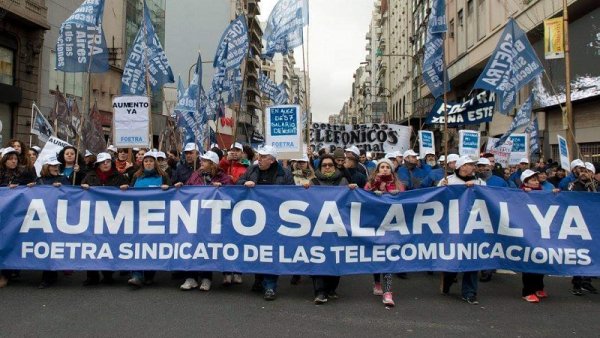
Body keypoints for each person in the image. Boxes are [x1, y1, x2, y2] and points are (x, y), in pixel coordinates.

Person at [237, 145, 294, 301]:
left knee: (271, 252)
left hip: (275, 217)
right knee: (257, 250)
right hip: (255, 219)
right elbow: (238, 183)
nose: (259, 159)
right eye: (259, 156)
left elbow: (292, 194)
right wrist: (244, 184)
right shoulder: (252, 170)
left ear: (272, 160)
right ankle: (258, 280)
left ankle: (270, 285)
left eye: (263, 157)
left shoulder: (285, 173)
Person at [177, 151, 233, 291]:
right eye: (201, 160)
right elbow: (188, 189)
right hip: (196, 216)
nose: (201, 163)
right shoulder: (195, 175)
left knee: (207, 247)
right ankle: (191, 277)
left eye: (205, 161)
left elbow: (232, 193)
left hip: (213, 218)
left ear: (212, 164)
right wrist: (180, 187)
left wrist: (222, 188)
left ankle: (206, 278)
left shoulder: (223, 177)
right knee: (192, 245)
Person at [438, 156, 486, 305]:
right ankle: (448, 279)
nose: (473, 167)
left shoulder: (480, 182)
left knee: (471, 258)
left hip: (473, 227)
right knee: (453, 256)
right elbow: (436, 200)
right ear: (461, 167)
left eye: (473, 165)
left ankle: (469, 293)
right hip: (452, 226)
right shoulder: (448, 181)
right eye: (470, 164)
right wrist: (442, 188)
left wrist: (477, 188)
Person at [80, 152, 129, 286]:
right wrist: (82, 188)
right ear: (98, 164)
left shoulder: (119, 177)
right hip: (92, 216)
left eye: (108, 161)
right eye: (103, 162)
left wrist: (126, 188)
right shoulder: (89, 176)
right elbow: (80, 193)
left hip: (112, 216)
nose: (106, 164)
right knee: (92, 246)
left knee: (109, 245)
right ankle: (92, 275)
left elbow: (128, 194)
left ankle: (108, 274)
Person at [308, 154, 352, 304]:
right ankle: (320, 291)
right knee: (318, 258)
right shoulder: (313, 182)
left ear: (335, 167)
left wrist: (352, 190)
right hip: (318, 227)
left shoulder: (343, 181)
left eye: (330, 165)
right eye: (324, 165)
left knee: (335, 257)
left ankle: (331, 288)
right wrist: (304, 191)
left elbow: (349, 203)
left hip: (337, 227)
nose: (327, 167)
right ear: (319, 168)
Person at [364, 158, 405, 307]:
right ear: (377, 169)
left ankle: (388, 292)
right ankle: (377, 283)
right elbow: (362, 199)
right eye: (382, 166)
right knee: (377, 255)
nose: (385, 169)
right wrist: (373, 194)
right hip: (375, 226)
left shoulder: (399, 185)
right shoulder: (370, 183)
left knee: (388, 258)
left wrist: (397, 195)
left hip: (391, 227)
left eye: (388, 167)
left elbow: (406, 202)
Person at [127, 152, 171, 288]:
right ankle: (137, 274)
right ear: (142, 163)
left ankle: (150, 274)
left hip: (156, 216)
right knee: (137, 244)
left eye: (151, 161)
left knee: (152, 245)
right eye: (146, 161)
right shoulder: (136, 176)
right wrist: (125, 189)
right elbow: (130, 194)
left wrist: (167, 189)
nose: (148, 163)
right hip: (138, 216)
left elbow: (173, 195)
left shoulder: (163, 176)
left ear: (155, 163)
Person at [0, 147, 36, 288]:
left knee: (10, 241)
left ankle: (6, 274)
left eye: (15, 159)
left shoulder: (23, 172)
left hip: (14, 213)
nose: (14, 161)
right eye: (11, 159)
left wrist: (32, 186)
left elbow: (32, 184)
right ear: (4, 160)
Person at [36, 155, 72, 289]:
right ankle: (48, 275)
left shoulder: (64, 179)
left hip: (59, 217)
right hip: (44, 217)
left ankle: (50, 275)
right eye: (53, 165)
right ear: (46, 167)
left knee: (54, 245)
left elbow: (71, 194)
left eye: (57, 165)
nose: (56, 167)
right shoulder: (39, 180)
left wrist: (62, 187)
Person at [519, 169, 554, 303]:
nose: (535, 182)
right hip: (527, 233)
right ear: (525, 182)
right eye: (532, 180)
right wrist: (524, 194)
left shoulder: (543, 193)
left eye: (536, 179)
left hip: (541, 232)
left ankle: (539, 287)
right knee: (529, 261)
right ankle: (527, 291)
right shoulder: (518, 193)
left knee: (541, 259)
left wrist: (554, 194)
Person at [568, 162, 598, 296]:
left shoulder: (596, 187)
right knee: (579, 253)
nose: (584, 173)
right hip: (578, 224)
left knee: (591, 253)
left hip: (594, 225)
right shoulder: (574, 185)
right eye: (582, 171)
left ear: (592, 173)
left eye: (587, 171)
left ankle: (587, 281)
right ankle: (577, 283)